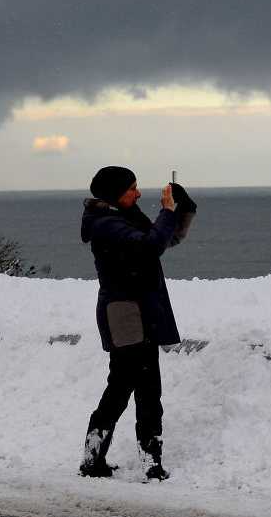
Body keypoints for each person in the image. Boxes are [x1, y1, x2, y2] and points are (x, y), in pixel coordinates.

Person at [78, 166, 196, 481]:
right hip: (125, 315)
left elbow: (165, 239)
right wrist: (166, 211)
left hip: (142, 311)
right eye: (132, 188)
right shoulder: (106, 225)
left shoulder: (125, 217)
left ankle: (125, 459)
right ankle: (127, 460)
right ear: (116, 193)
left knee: (141, 386)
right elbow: (149, 247)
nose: (138, 193)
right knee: (128, 385)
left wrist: (182, 209)